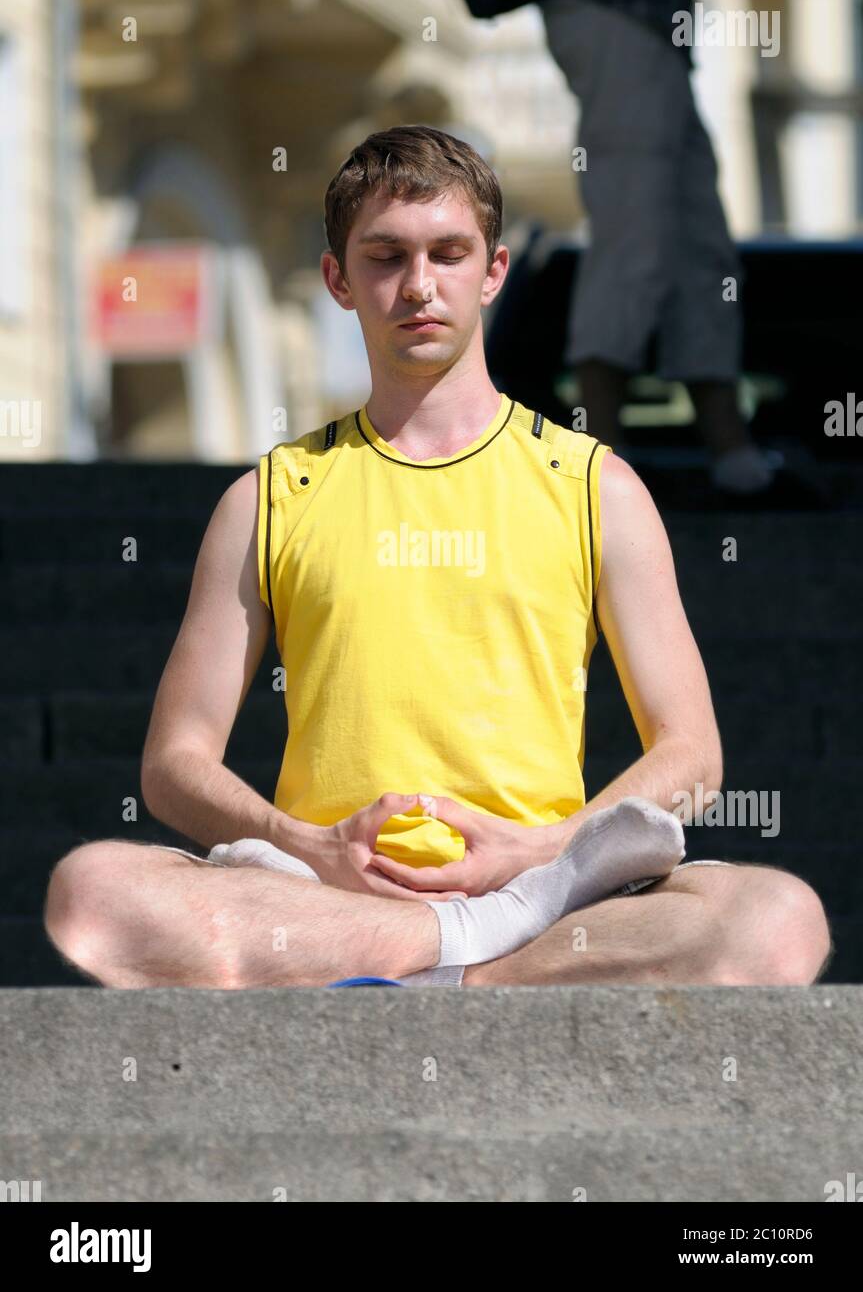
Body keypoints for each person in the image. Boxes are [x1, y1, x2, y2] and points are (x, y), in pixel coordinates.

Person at [43, 126, 831, 990]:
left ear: (492, 270)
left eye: (448, 253)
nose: (419, 286)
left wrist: (536, 850)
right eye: (385, 257)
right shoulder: (266, 499)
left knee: (777, 919)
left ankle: (445, 960)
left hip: (545, 897)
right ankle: (449, 956)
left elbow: (693, 757)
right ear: (337, 279)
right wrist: (313, 845)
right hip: (328, 895)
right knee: (93, 891)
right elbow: (174, 764)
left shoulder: (593, 486)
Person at [537, 0, 824, 505]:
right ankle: (600, 470)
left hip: (652, 24)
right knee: (632, 231)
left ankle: (733, 455)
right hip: (614, 4)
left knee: (701, 245)